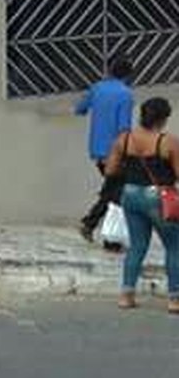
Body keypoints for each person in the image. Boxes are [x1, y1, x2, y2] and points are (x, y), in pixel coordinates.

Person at [103, 98, 179, 312]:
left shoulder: (124, 139)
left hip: (131, 194)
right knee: (174, 246)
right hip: (159, 198)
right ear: (163, 119)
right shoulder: (168, 142)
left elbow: (110, 170)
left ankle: (126, 296)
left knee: (137, 246)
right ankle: (174, 298)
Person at [76, 57, 134, 243]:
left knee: (113, 188)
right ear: (128, 75)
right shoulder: (126, 94)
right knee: (116, 191)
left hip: (97, 150)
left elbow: (80, 109)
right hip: (116, 150)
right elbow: (123, 127)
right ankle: (102, 231)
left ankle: (93, 225)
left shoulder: (97, 88)